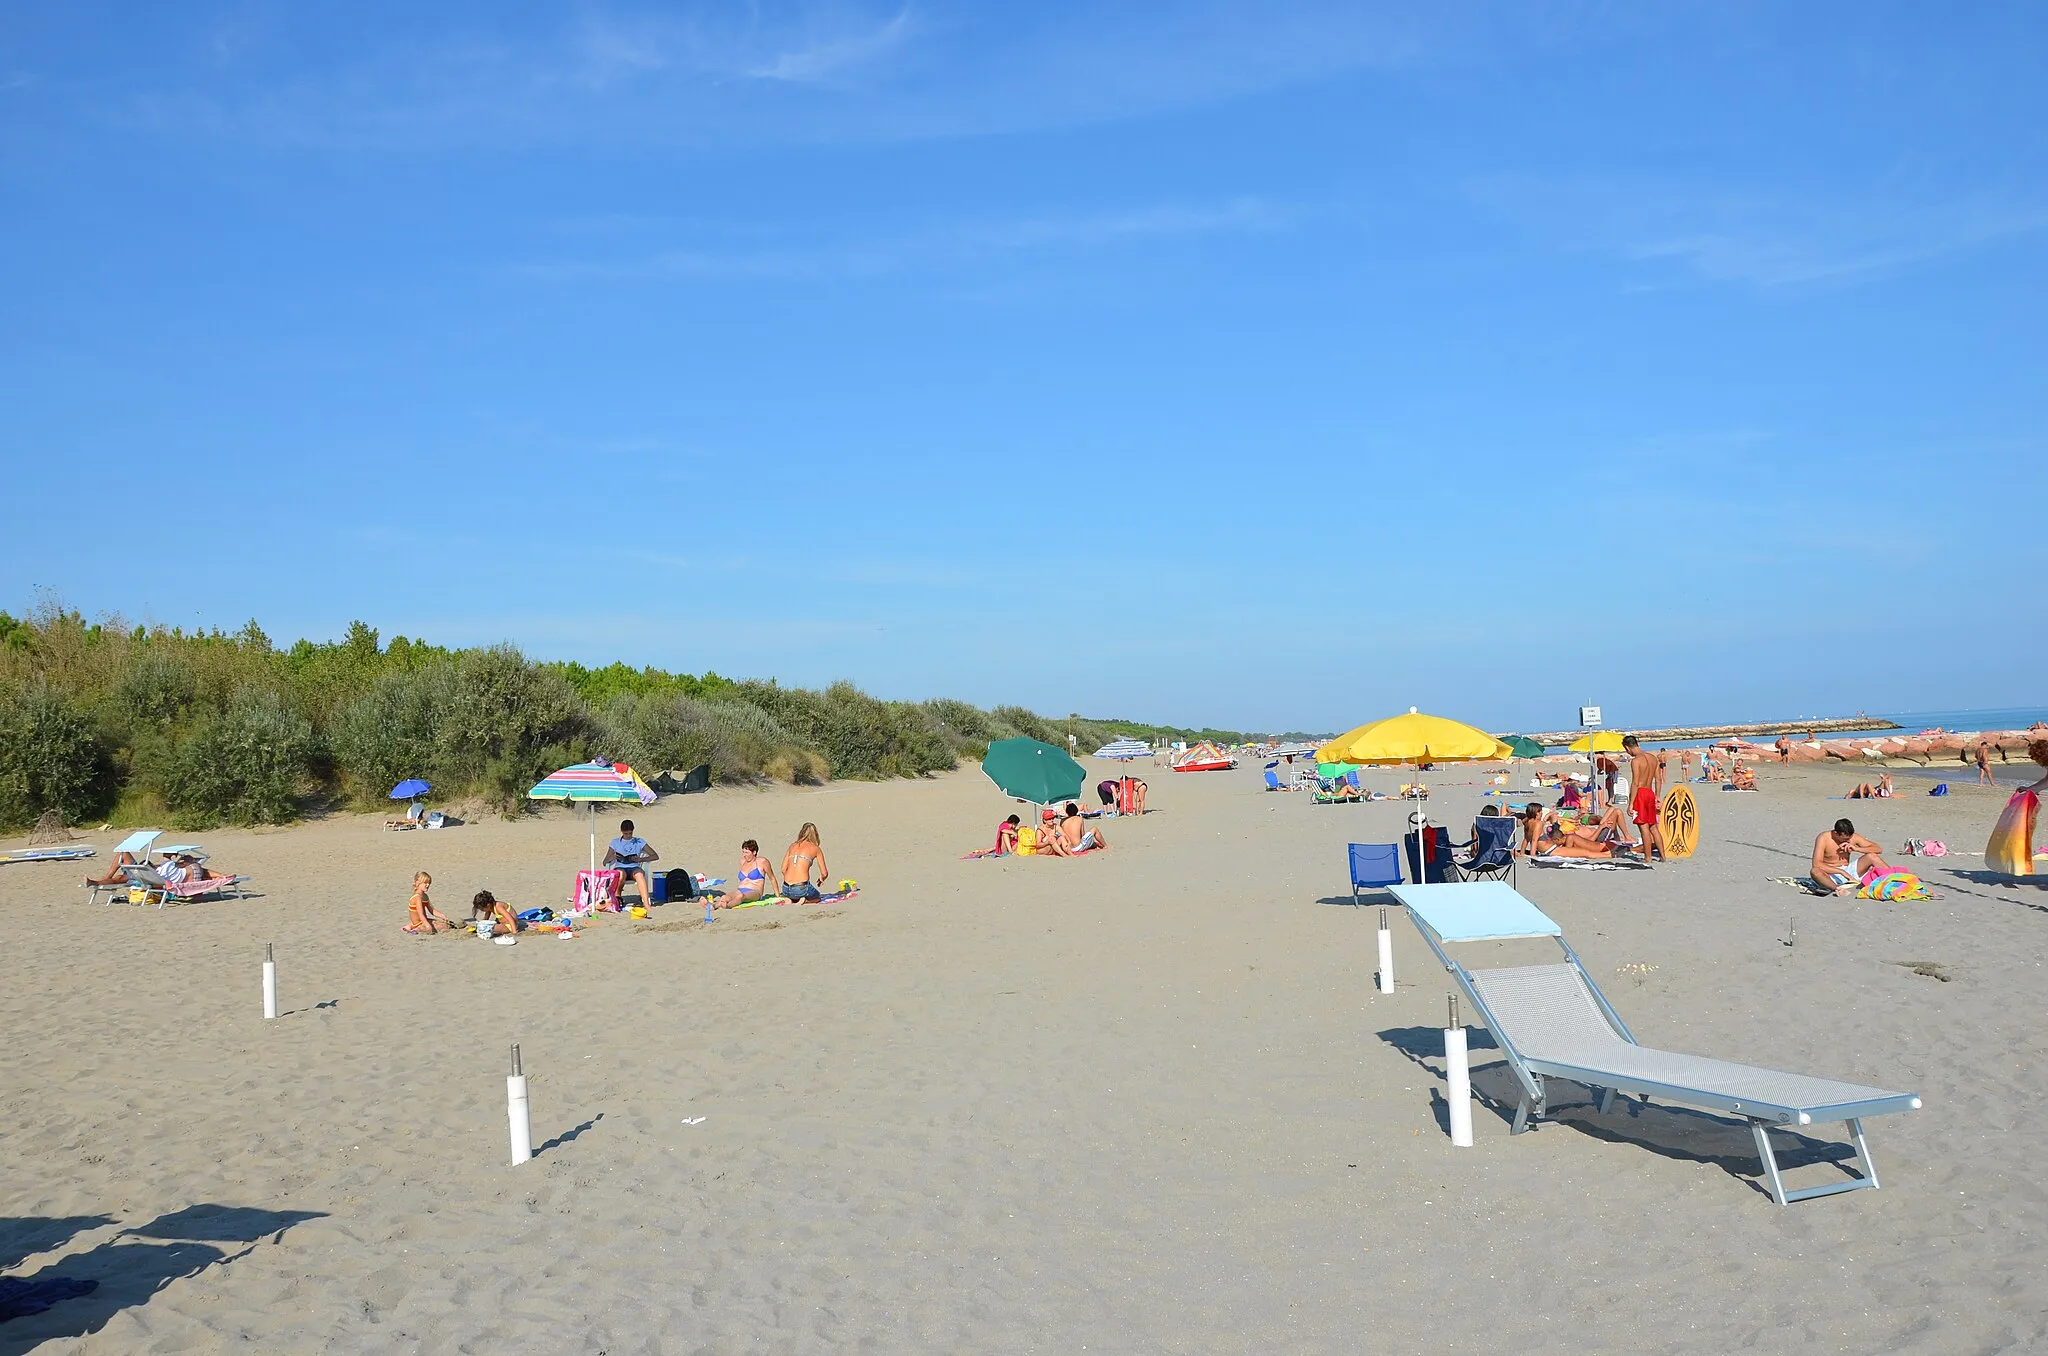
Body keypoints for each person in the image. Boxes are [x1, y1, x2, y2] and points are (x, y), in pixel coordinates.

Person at [1810, 818, 1893, 896]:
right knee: (1815, 871)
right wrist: (1841, 872)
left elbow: (1878, 849)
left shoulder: (1853, 837)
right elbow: (1817, 864)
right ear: (1835, 833)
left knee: (1872, 856)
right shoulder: (1824, 838)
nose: (1848, 841)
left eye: (1849, 838)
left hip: (1850, 870)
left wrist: (1857, 849)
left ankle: (1895, 879)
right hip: (1831, 873)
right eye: (1844, 839)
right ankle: (1837, 889)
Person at [1624, 735, 1667, 862]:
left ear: (1627, 747)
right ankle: (1663, 856)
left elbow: (1635, 783)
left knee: (1644, 827)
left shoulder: (1636, 761)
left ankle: (1648, 857)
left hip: (1641, 794)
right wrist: (1657, 796)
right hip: (1650, 793)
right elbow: (1658, 779)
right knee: (1653, 827)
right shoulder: (1653, 758)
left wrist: (1631, 803)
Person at [602, 819, 661, 909]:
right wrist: (613, 857)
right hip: (620, 867)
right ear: (622, 832)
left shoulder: (639, 841)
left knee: (640, 875)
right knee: (621, 874)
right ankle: (618, 897)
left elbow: (655, 856)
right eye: (626, 834)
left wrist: (641, 859)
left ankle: (646, 903)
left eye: (630, 833)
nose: (628, 836)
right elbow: (605, 862)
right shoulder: (615, 842)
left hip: (634, 867)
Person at [716, 840, 779, 908]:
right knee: (724, 897)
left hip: (755, 892)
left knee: (741, 897)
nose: (744, 855)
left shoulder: (762, 862)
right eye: (743, 852)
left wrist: (778, 896)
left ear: (754, 852)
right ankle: (712, 906)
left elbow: (772, 878)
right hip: (740, 890)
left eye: (747, 852)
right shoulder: (742, 861)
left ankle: (728, 906)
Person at [780, 822, 828, 901]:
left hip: (785, 888)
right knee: (817, 897)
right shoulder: (816, 848)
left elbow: (783, 869)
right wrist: (822, 878)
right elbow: (824, 873)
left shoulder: (792, 846)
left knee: (794, 893)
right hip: (801, 888)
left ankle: (790, 899)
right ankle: (804, 900)